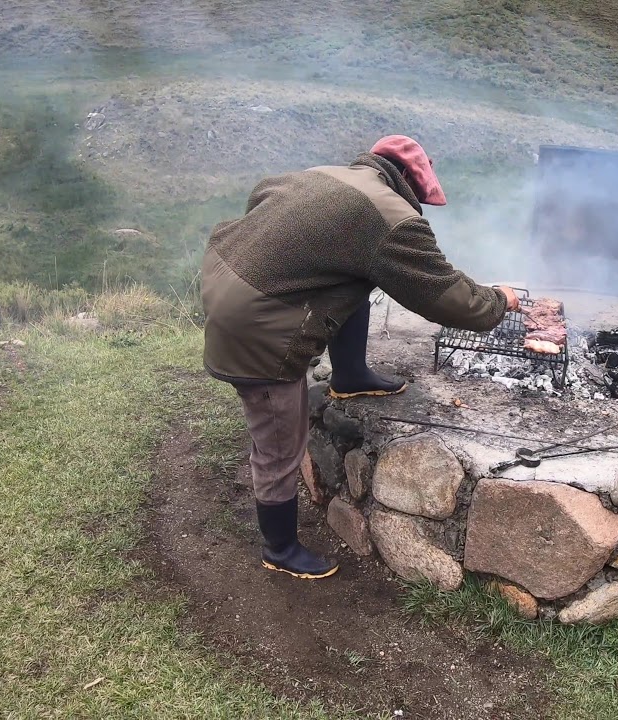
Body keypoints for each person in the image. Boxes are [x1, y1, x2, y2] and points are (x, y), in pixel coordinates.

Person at [200, 135, 520, 580]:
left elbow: (262, 198)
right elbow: (447, 298)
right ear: (408, 179)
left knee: (354, 282)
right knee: (278, 441)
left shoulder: (321, 176)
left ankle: (350, 374)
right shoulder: (387, 216)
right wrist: (498, 301)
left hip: (223, 276)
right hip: (255, 325)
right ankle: (281, 548)